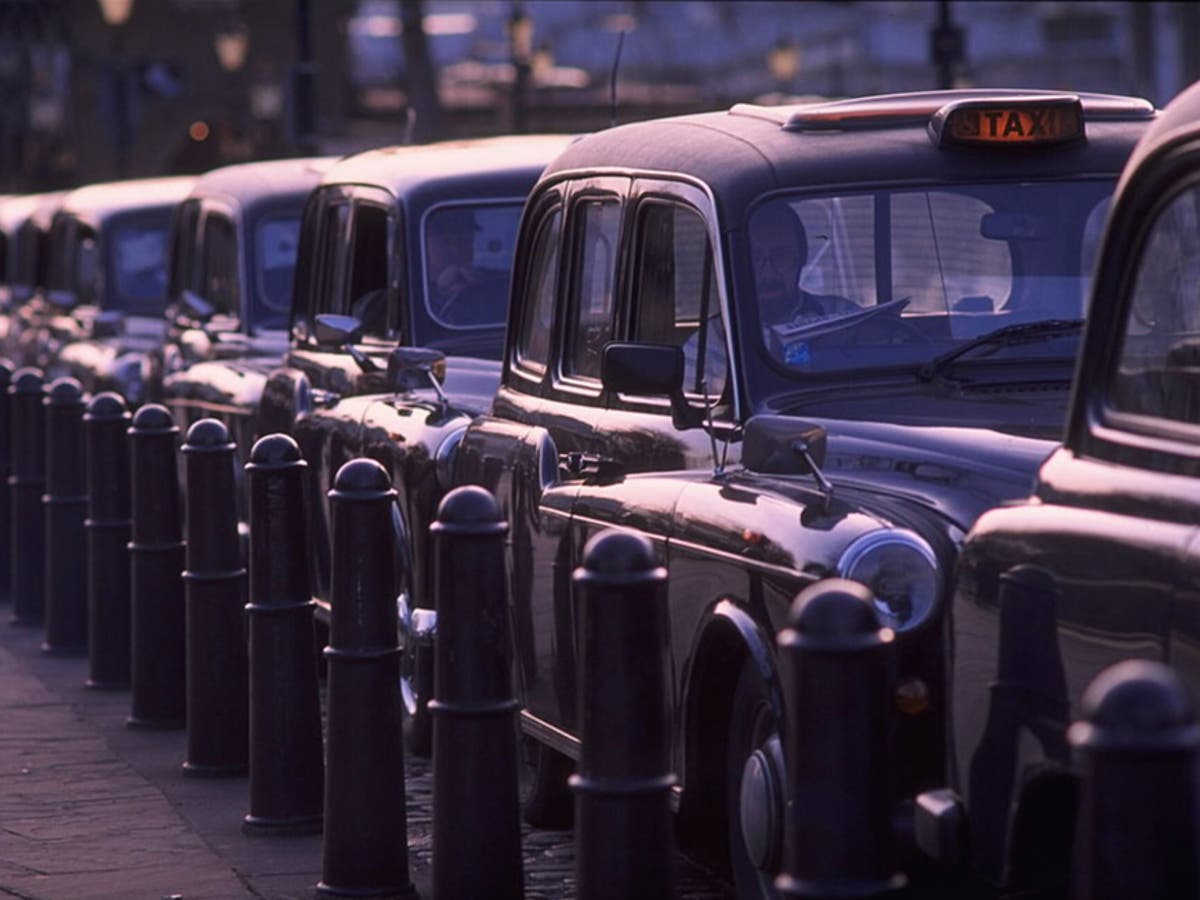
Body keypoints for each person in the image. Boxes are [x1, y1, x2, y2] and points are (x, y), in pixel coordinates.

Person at [750, 200, 857, 363]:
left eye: (781, 257)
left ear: (801, 259)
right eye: (754, 258)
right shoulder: (712, 340)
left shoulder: (843, 315)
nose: (768, 274)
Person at [425, 207, 498, 326]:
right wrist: (436, 291)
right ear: (425, 243)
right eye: (446, 241)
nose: (456, 250)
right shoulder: (408, 289)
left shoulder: (492, 282)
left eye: (465, 240)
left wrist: (480, 291)